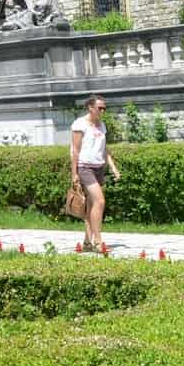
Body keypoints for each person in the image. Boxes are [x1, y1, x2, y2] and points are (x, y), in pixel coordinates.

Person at [70, 94, 121, 254]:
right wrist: (74, 174)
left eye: (104, 108)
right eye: (100, 108)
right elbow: (75, 150)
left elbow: (104, 149)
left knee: (92, 205)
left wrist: (113, 167)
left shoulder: (101, 125)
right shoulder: (80, 124)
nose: (103, 111)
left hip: (99, 167)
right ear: (90, 108)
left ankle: (87, 242)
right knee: (99, 201)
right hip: (85, 168)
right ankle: (98, 242)